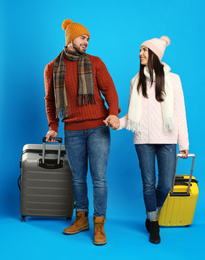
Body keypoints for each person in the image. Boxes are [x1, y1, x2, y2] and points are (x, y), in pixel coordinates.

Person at [105, 36, 189, 244]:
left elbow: (180, 113)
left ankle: (152, 211)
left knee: (166, 184)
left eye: (144, 50)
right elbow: (132, 116)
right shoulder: (136, 80)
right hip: (143, 139)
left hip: (167, 138)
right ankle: (153, 222)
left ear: (155, 54)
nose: (140, 53)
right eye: (140, 50)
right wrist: (117, 123)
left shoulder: (174, 80)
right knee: (148, 183)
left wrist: (184, 143)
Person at [44, 18, 120, 246]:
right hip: (72, 130)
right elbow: (50, 99)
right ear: (70, 40)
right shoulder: (52, 68)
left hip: (98, 127)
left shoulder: (95, 63)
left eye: (88, 38)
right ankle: (81, 219)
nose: (86, 41)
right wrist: (53, 126)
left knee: (98, 179)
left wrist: (114, 113)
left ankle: (99, 224)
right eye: (82, 37)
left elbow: (110, 89)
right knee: (78, 179)